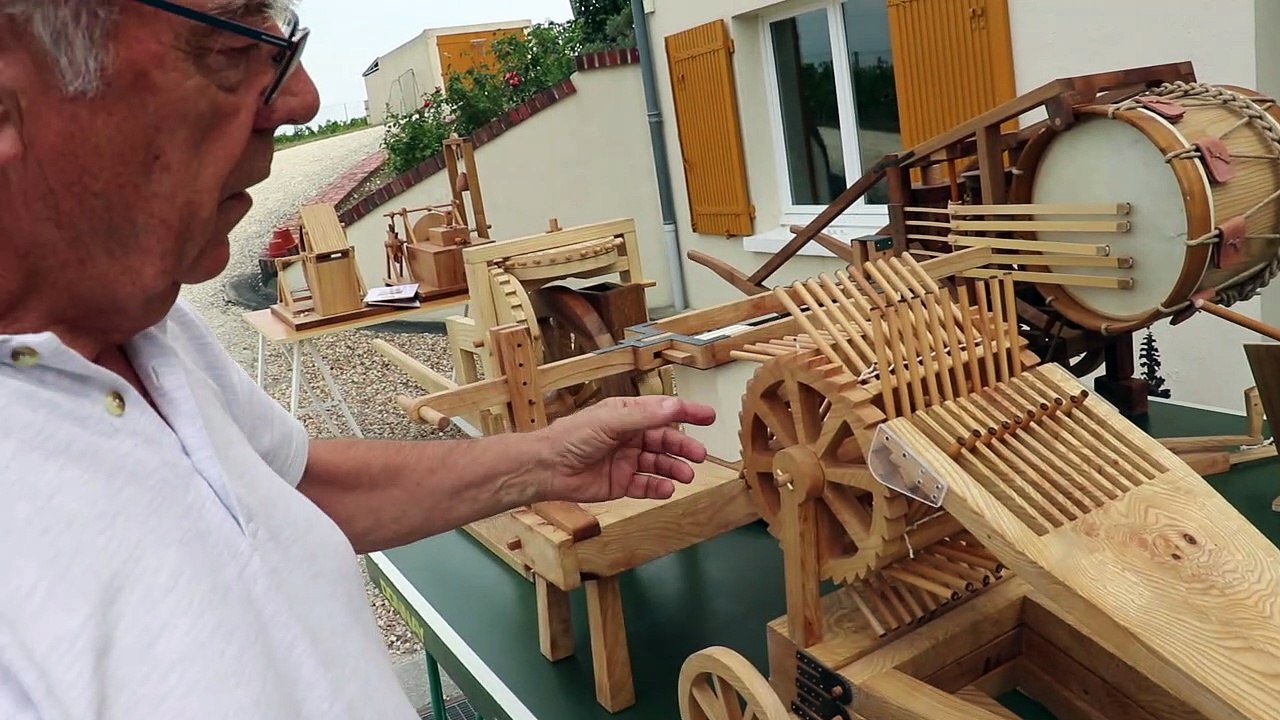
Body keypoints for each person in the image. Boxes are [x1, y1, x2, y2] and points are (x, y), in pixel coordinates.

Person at [0, 2, 716, 718]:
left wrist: (547, 462)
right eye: (226, 45)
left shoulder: (149, 324)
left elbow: (294, 488)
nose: (301, 98)